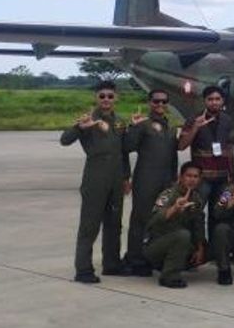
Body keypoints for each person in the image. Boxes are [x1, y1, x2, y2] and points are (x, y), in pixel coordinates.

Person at [62, 80, 130, 282]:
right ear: (96, 98)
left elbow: (123, 152)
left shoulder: (119, 121)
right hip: (95, 178)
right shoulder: (88, 120)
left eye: (110, 96)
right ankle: (83, 269)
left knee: (114, 224)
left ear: (115, 98)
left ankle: (111, 264)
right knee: (89, 225)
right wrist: (79, 127)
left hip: (116, 179)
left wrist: (126, 177)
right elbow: (65, 140)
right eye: (102, 96)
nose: (106, 100)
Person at [123, 88, 179, 276]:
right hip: (146, 179)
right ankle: (135, 258)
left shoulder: (170, 127)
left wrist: (173, 179)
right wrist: (134, 126)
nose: (160, 105)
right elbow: (128, 146)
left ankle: (153, 256)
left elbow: (173, 156)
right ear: (150, 103)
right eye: (156, 101)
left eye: (164, 101)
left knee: (161, 219)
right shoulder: (143, 124)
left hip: (165, 180)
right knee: (141, 219)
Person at [177, 85, 234, 228]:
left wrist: (232, 175)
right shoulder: (193, 119)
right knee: (195, 214)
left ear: (223, 101)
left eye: (218, 99)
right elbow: (181, 146)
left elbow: (229, 149)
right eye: (210, 99)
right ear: (205, 101)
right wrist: (196, 127)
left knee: (219, 215)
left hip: (222, 179)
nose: (214, 102)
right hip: (202, 179)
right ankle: (198, 247)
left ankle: (214, 249)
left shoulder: (227, 120)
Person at [144, 162, 206, 289]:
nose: (192, 180)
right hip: (157, 244)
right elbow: (154, 220)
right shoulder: (168, 194)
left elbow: (198, 225)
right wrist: (175, 208)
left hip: (179, 244)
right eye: (188, 176)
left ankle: (180, 264)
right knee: (183, 235)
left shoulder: (196, 198)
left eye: (195, 177)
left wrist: (200, 249)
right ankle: (169, 276)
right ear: (181, 177)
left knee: (210, 247)